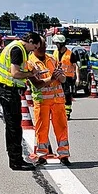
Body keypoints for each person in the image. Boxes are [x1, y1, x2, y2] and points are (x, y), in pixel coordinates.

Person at [0, 32, 44, 170]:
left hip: (8, 90)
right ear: (31, 41)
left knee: (13, 127)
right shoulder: (18, 50)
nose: (33, 51)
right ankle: (16, 161)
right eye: (34, 47)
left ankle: (15, 159)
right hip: (8, 91)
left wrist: (27, 75)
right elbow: (15, 73)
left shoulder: (15, 47)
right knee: (14, 128)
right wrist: (31, 74)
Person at [26, 35, 70, 164]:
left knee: (61, 127)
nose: (44, 48)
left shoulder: (52, 59)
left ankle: (63, 155)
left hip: (58, 100)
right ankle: (41, 155)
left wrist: (60, 76)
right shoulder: (30, 63)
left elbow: (63, 79)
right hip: (41, 101)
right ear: (36, 46)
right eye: (42, 45)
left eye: (45, 45)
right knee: (41, 129)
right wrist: (51, 78)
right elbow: (37, 83)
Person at [52, 34, 77, 120]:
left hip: (68, 77)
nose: (56, 45)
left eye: (57, 44)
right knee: (57, 95)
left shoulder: (70, 54)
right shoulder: (55, 52)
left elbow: (75, 66)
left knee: (67, 95)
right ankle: (58, 113)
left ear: (61, 44)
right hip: (57, 77)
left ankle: (67, 113)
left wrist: (78, 78)